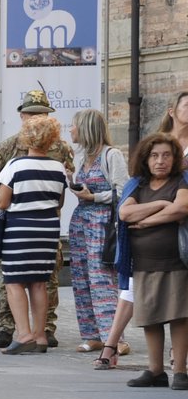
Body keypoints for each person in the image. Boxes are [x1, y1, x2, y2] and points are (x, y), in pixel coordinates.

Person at [0, 89, 73, 348]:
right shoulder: (58, 166)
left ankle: (23, 336)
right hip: (48, 230)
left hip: (19, 230)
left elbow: (1, 200)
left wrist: (17, 198)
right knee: (39, 282)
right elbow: (59, 200)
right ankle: (41, 335)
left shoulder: (15, 163)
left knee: (13, 282)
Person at [116, 133, 188, 388]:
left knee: (179, 316)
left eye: (166, 155)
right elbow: (125, 212)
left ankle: (180, 371)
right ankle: (155, 371)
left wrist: (146, 220)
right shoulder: (139, 185)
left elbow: (181, 208)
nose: (160, 161)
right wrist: (159, 203)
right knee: (151, 318)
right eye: (155, 156)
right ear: (146, 159)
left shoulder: (181, 182)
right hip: (144, 262)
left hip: (175, 262)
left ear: (174, 158)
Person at [67, 109, 128, 357]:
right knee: (81, 279)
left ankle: (115, 338)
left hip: (102, 222)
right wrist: (73, 180)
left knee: (102, 279)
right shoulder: (82, 157)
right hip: (81, 220)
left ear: (86, 128)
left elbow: (123, 191)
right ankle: (91, 335)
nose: (70, 130)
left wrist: (94, 196)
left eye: (73, 126)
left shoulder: (111, 155)